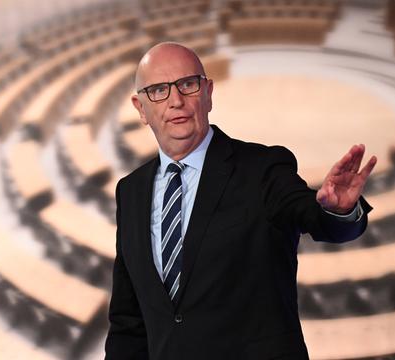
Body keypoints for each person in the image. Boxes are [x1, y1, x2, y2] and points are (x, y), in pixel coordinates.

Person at [105, 43, 377, 359]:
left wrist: (337, 210)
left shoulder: (262, 168)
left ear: (207, 93)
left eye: (187, 85)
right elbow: (128, 320)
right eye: (159, 91)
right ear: (141, 108)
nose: (176, 101)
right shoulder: (131, 191)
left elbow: (312, 215)